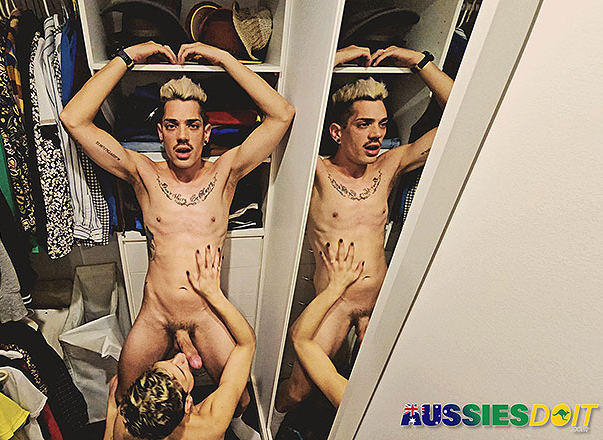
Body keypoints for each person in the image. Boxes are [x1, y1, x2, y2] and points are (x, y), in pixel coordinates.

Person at [61, 41, 294, 439]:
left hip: (205, 313)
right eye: (172, 125)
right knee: (126, 397)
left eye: (192, 125)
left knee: (239, 400)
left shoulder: (226, 172)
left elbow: (281, 114)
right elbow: (74, 118)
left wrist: (223, 58)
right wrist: (128, 57)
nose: (182, 136)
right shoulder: (143, 173)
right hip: (156, 313)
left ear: (206, 132)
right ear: (160, 132)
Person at [272, 45, 453, 429]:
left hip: (379, 300)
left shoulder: (390, 165)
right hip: (334, 302)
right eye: (364, 124)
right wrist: (336, 58)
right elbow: (287, 111)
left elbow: (462, 115)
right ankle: (262, 421)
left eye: (382, 124)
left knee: (382, 389)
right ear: (337, 131)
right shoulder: (317, 172)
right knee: (298, 392)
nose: (376, 135)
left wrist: (417, 61)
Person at [103, 246, 257, 439]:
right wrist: (215, 295)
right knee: (242, 399)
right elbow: (247, 344)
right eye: (181, 369)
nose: (179, 357)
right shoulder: (212, 424)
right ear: (188, 404)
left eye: (166, 363)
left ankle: (182, 338)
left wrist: (111, 410)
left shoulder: (128, 425)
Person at [291, 240, 364, 408]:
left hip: (339, 294)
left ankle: (276, 418)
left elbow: (300, 338)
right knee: (299, 390)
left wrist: (335, 288)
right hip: (368, 304)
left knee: (297, 392)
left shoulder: (355, 406)